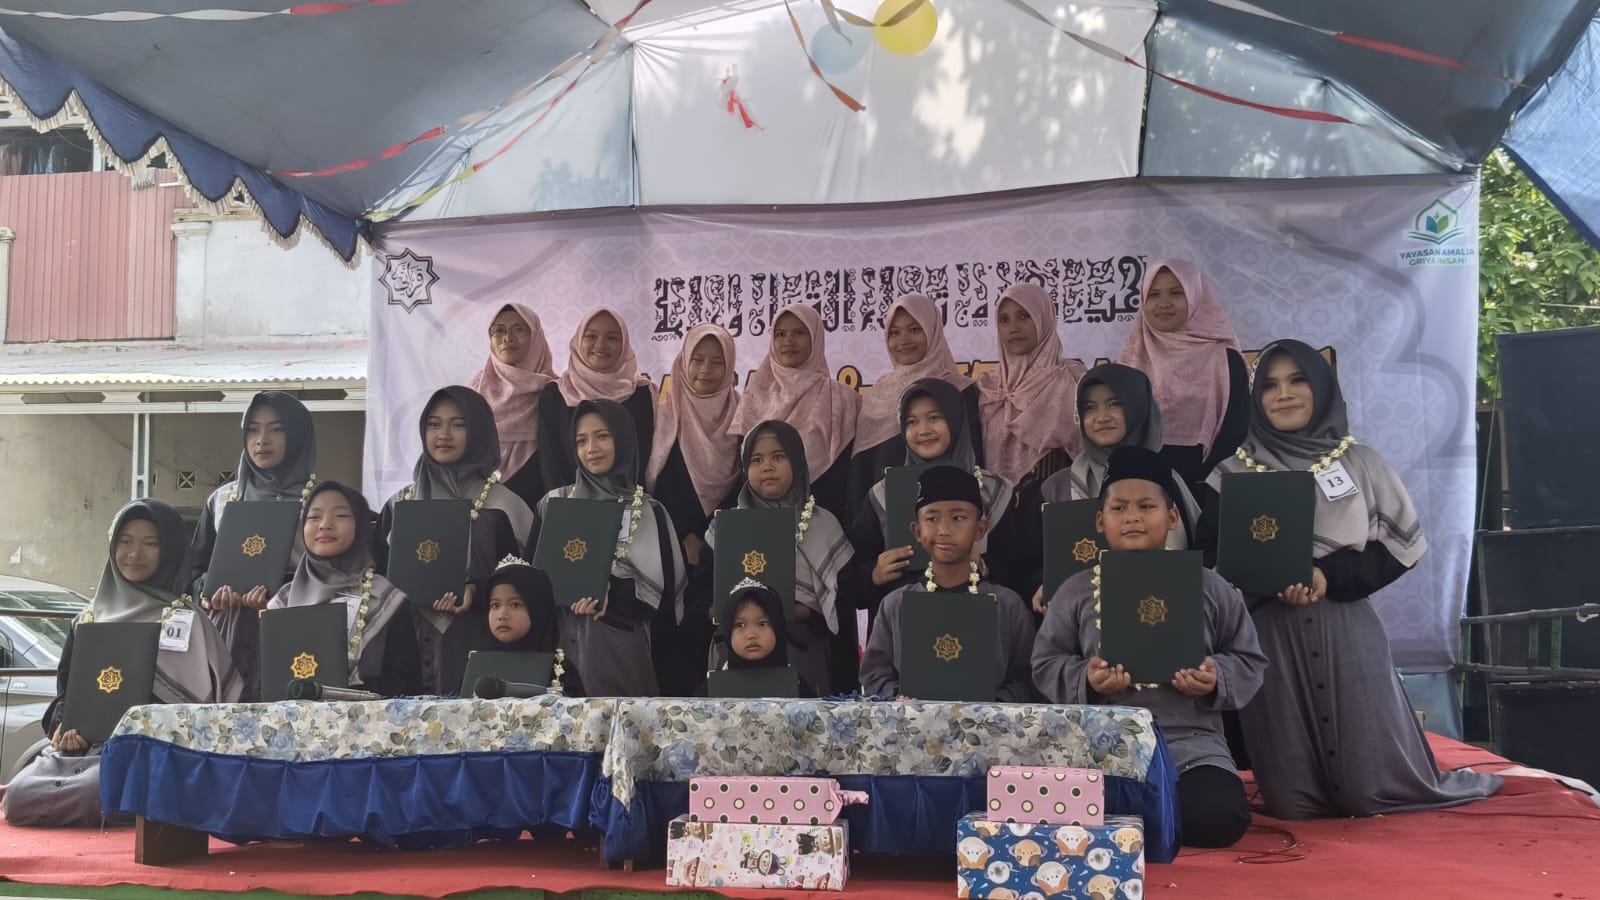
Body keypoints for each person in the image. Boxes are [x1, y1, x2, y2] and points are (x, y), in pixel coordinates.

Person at [1205, 339, 1502, 819]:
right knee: (1292, 801)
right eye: (1270, 386)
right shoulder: (1230, 473)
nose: (1284, 394)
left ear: (1322, 389)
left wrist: (1328, 575)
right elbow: (1214, 558)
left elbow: (1402, 545)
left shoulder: (1361, 462)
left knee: (1370, 788)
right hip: (1266, 634)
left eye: (1298, 380)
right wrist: (1263, 582)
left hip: (1344, 625)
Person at [1032, 447, 1266, 849]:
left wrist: (1215, 677)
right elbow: (1045, 662)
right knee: (1059, 809)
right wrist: (1087, 679)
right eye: (1119, 508)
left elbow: (1248, 658)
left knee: (1219, 818)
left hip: (1190, 743)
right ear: (1100, 521)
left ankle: (1134, 818)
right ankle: (1143, 815)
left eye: (1146, 506)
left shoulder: (1210, 586)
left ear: (1172, 517)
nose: (1133, 517)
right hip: (1099, 742)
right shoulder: (1075, 590)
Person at [3, 500, 241, 828]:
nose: (134, 553)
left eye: (150, 544)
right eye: (125, 541)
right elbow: (65, 696)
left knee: (98, 790)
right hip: (84, 754)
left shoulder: (187, 621)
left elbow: (213, 709)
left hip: (155, 755)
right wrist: (63, 726)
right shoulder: (87, 619)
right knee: (19, 795)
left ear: (170, 551)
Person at [375, 386, 534, 695]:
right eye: (434, 424)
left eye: (458, 425)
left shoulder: (504, 506)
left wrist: (477, 590)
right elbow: (377, 576)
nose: (443, 435)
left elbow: (527, 583)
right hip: (406, 650)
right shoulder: (399, 505)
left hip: (479, 645)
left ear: (479, 433)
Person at [533, 399, 686, 697]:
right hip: (559, 652)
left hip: (622, 653)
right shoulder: (553, 505)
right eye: (581, 440)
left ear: (624, 439)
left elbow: (666, 603)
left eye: (603, 436)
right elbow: (531, 581)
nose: (591, 448)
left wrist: (611, 592)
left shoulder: (648, 511)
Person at [1017, 364, 1201, 611]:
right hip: (1081, 622)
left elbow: (1199, 555)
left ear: (1138, 408)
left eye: (1115, 404)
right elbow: (1029, 566)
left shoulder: (1170, 483)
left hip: (1166, 615)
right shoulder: (1054, 490)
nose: (1101, 417)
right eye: (1089, 408)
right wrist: (1044, 585)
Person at [846, 378, 1013, 639]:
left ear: (956, 420)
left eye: (934, 418)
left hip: (978, 629)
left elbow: (1019, 570)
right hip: (902, 631)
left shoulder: (993, 491)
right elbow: (852, 577)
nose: (923, 430)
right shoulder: (881, 495)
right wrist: (874, 575)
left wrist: (983, 565)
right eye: (911, 422)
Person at [695, 421, 851, 695]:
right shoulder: (724, 528)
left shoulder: (823, 525)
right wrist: (728, 615)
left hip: (802, 652)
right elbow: (699, 595)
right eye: (756, 460)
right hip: (734, 655)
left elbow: (843, 601)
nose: (767, 467)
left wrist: (801, 612)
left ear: (797, 461)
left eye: (778, 457)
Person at [859, 465, 1036, 702]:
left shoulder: (1006, 605)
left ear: (980, 529)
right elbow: (874, 675)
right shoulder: (895, 605)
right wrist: (898, 698)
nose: (944, 530)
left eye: (958, 518)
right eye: (932, 519)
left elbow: (1029, 676)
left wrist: (993, 705)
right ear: (917, 531)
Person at [188, 390, 316, 700]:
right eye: (253, 430)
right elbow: (193, 570)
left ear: (298, 435)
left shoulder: (321, 500)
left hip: (295, 627)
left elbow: (338, 571)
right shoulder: (222, 499)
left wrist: (282, 595)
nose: (262, 441)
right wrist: (209, 592)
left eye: (277, 429)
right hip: (228, 633)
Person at [265, 482, 421, 697]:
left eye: (340, 515)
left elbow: (407, 685)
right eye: (314, 517)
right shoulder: (282, 601)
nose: (325, 525)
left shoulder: (386, 599)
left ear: (361, 526)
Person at [846, 293, 981, 524]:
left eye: (915, 329)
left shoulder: (960, 390)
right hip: (884, 516)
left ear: (932, 331)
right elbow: (862, 470)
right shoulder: (876, 395)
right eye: (894, 332)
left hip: (951, 515)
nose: (904, 340)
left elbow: (974, 459)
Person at [1115, 260, 1248, 485]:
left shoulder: (1224, 359)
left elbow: (1236, 430)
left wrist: (1206, 486)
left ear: (1195, 296)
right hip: (1136, 486)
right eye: (1154, 295)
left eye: (1176, 293)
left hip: (1207, 484)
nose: (1163, 303)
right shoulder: (1128, 361)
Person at [728, 303, 859, 523]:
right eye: (780, 334)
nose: (788, 341)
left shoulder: (841, 397)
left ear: (815, 338)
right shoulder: (754, 397)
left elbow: (849, 470)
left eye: (799, 333)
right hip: (762, 520)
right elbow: (744, 469)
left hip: (824, 517)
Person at [645, 323, 742, 569]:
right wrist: (685, 535)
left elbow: (746, 484)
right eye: (697, 360)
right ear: (684, 361)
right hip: (672, 543)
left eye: (718, 362)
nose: (705, 370)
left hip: (728, 544)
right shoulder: (664, 416)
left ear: (730, 366)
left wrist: (711, 537)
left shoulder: (743, 417)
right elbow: (661, 482)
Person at [976, 283, 1087, 499]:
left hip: (1056, 504)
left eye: (1024, 316)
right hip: (994, 508)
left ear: (1043, 318)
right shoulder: (988, 387)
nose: (1013, 327)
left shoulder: (1071, 380)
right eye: (1004, 320)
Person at [537, 308, 657, 494]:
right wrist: (563, 503)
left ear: (624, 343)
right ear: (578, 340)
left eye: (612, 338)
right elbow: (551, 462)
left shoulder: (642, 393)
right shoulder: (556, 394)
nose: (600, 344)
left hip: (631, 503)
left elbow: (647, 461)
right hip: (570, 503)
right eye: (591, 336)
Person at [469, 303, 558, 509]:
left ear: (535, 337)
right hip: (483, 507)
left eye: (519, 330)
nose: (507, 338)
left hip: (541, 507)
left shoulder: (556, 393)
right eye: (499, 330)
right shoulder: (476, 392)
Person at [478, 556, 582, 696]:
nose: (502, 615)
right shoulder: (477, 667)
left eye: (515, 605)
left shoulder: (559, 671)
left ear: (538, 610)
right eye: (495, 605)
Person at [706, 582, 816, 698]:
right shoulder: (715, 685)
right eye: (740, 625)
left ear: (778, 628)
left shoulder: (795, 684)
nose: (751, 635)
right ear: (728, 632)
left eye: (762, 624)